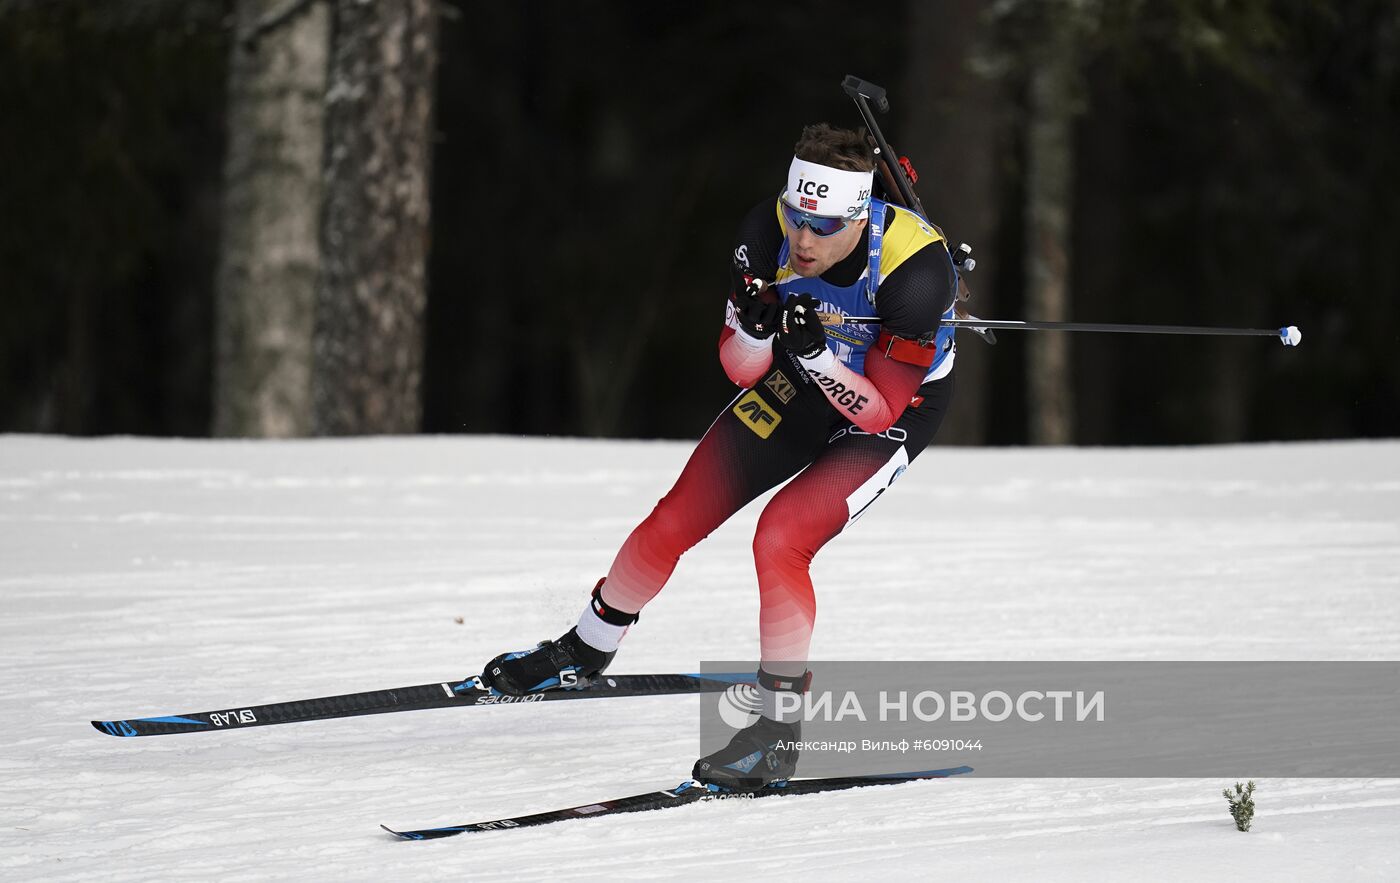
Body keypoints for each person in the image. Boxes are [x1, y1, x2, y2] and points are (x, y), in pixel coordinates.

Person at [481, 123, 959, 790]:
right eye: (797, 216)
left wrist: (819, 351)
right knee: (678, 514)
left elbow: (875, 408)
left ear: (860, 215)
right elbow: (740, 369)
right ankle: (588, 644)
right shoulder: (765, 233)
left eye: (823, 224)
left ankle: (776, 734)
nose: (804, 239)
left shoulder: (916, 272)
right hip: (798, 380)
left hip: (889, 412)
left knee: (782, 537)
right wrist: (757, 329)